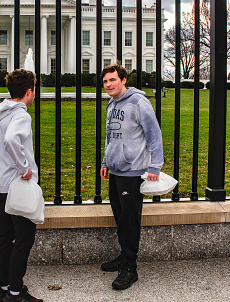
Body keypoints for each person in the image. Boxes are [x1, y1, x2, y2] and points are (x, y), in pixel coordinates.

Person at [0, 69, 42, 302]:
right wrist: (23, 169)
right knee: (24, 238)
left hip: (0, 185)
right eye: (34, 91)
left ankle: (3, 288)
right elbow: (12, 140)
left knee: (5, 236)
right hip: (17, 185)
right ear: (28, 91)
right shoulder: (21, 115)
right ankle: (15, 292)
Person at [99, 62, 164, 290]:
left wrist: (155, 167)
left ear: (123, 79)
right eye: (105, 81)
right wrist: (106, 161)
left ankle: (130, 268)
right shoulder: (111, 103)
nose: (108, 84)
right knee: (120, 216)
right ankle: (123, 257)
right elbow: (110, 137)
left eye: (112, 80)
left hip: (133, 171)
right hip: (116, 170)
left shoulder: (138, 102)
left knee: (130, 220)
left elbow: (154, 135)